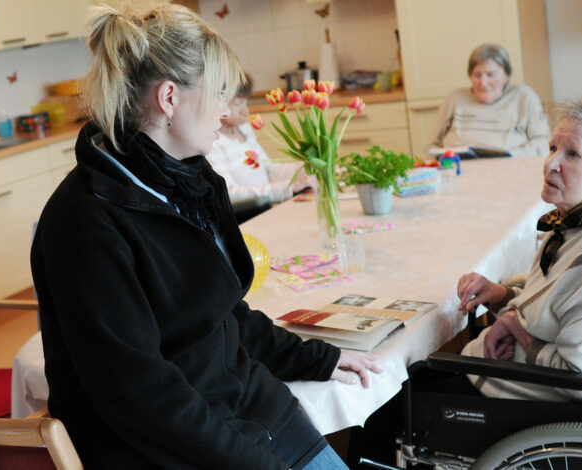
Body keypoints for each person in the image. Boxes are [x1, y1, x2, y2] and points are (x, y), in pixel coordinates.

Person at [30, 4, 379, 469]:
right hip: (173, 453)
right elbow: (144, 399)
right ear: (169, 98)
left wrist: (314, 359)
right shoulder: (85, 225)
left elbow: (221, 312)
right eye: (218, 93)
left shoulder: (185, 180)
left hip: (249, 414)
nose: (227, 109)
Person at [348, 95, 582, 466]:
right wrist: (502, 297)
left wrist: (517, 330)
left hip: (531, 398)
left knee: (376, 404)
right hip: (525, 379)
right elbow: (556, 307)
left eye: (573, 154)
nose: (551, 163)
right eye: (552, 148)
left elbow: (580, 380)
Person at [206, 74, 313, 207]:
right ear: (217, 102)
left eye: (246, 102)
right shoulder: (211, 144)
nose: (246, 111)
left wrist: (309, 168)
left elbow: (269, 170)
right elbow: (229, 194)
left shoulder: (243, 129)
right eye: (238, 104)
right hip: (252, 213)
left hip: (271, 205)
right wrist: (287, 188)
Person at [428, 43, 550, 157]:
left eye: (490, 74)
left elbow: (542, 142)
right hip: (459, 167)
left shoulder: (524, 96)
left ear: (507, 75)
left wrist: (512, 157)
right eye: (477, 75)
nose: (483, 82)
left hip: (510, 167)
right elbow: (431, 145)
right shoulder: (455, 98)